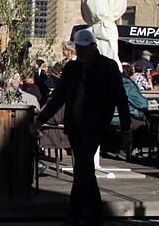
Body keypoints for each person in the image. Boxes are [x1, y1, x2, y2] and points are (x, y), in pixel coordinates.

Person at [30, 29, 131, 225]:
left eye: (84, 49)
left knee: (82, 167)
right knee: (85, 170)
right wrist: (40, 120)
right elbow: (58, 97)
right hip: (75, 125)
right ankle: (96, 214)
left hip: (95, 125)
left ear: (93, 48)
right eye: (79, 49)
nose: (81, 53)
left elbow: (121, 99)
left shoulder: (108, 67)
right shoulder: (72, 68)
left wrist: (126, 129)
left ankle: (75, 215)